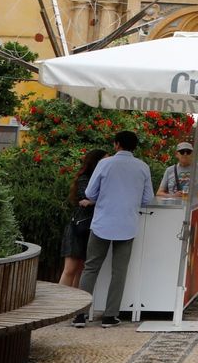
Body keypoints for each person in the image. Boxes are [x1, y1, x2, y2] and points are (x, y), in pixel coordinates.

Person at [74, 130, 154, 328]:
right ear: (135, 147)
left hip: (102, 222)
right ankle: (110, 316)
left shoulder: (104, 164)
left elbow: (90, 192)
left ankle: (80, 315)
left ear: (117, 144)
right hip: (127, 224)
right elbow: (147, 199)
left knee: (91, 267)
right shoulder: (143, 167)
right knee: (119, 271)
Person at [59, 148, 107, 288]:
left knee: (80, 269)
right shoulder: (84, 178)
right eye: (105, 159)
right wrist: (93, 201)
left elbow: (92, 200)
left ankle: (74, 303)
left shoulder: (99, 178)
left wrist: (93, 201)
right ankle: (61, 302)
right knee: (70, 269)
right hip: (79, 226)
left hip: (90, 227)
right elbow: (85, 197)